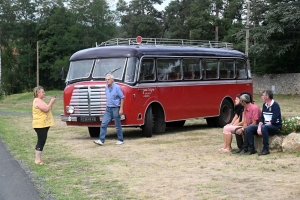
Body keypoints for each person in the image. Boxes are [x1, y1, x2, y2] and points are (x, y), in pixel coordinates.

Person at [246, 90, 282, 156]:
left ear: (267, 96)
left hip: (275, 126)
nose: (261, 97)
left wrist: (263, 127)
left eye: (263, 95)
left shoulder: (275, 105)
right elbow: (262, 118)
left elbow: (274, 119)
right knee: (249, 128)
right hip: (265, 126)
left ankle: (266, 149)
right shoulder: (264, 105)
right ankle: (251, 149)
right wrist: (259, 127)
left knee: (264, 127)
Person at [94, 74, 125, 145]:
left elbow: (122, 98)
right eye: (106, 79)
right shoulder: (106, 88)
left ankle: (120, 140)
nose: (107, 81)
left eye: (108, 79)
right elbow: (108, 97)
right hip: (108, 108)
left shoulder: (117, 87)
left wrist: (121, 109)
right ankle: (101, 140)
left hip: (116, 108)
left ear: (112, 80)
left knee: (117, 125)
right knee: (104, 124)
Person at [32, 86, 56, 165]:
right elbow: (45, 109)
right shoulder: (37, 101)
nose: (44, 93)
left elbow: (48, 109)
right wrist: (51, 102)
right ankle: (37, 160)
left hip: (43, 124)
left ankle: (38, 159)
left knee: (42, 140)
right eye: (42, 92)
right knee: (41, 140)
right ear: (38, 93)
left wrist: (50, 104)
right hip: (40, 125)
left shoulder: (40, 101)